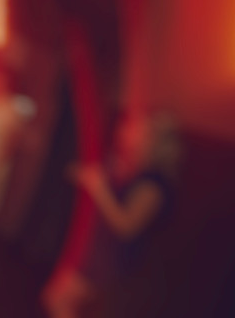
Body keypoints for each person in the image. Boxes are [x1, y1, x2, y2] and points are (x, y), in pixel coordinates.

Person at [41, 112, 179, 318]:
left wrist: (98, 187)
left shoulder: (154, 184)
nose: (125, 131)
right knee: (58, 300)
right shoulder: (134, 168)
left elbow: (127, 226)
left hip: (112, 258)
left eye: (135, 129)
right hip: (101, 251)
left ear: (151, 141)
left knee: (57, 299)